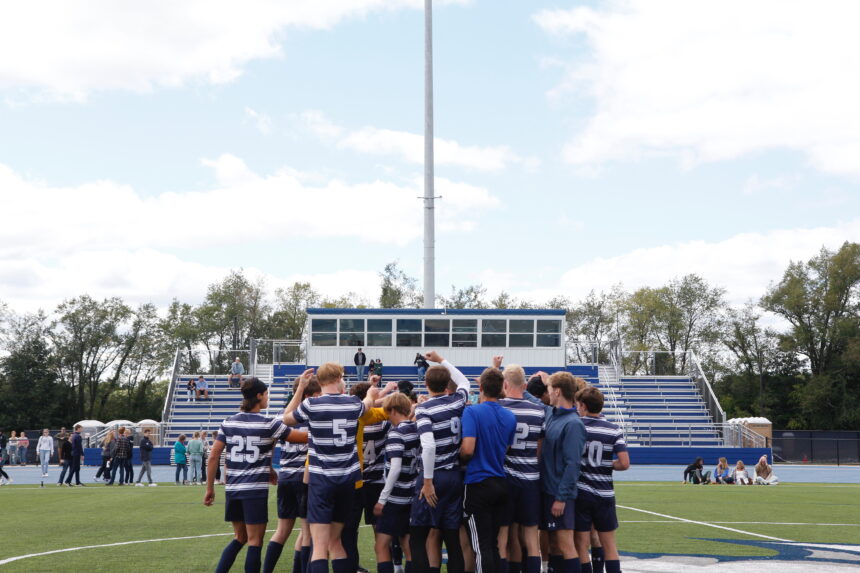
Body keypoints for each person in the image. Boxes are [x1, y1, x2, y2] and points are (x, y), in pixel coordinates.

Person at [204, 377, 308, 573]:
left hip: (233, 489)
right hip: (254, 491)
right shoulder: (269, 423)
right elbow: (300, 437)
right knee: (255, 541)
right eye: (266, 394)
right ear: (259, 396)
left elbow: (213, 457)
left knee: (240, 538)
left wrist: (210, 488)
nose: (268, 397)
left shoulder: (228, 422)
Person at [281, 363, 372, 573]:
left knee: (320, 545)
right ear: (339, 378)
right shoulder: (352, 402)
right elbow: (367, 404)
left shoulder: (312, 404)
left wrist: (301, 389)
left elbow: (286, 419)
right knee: (336, 542)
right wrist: (373, 392)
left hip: (321, 480)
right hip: (347, 480)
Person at [410, 350, 471, 573]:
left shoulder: (424, 408)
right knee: (451, 537)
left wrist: (427, 482)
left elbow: (428, 445)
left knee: (418, 535)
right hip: (453, 473)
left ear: (426, 383)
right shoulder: (457, 400)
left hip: (433, 474)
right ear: (447, 383)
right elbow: (463, 380)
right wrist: (441, 360)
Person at [527, 371, 588, 573]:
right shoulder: (552, 413)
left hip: (559, 495)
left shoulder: (573, 424)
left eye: (550, 390)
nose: (547, 393)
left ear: (558, 391)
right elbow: (530, 399)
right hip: (547, 490)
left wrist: (561, 498)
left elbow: (573, 465)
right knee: (553, 544)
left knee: (565, 544)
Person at [460, 366, 517, 573]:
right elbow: (506, 448)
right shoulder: (510, 416)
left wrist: (458, 456)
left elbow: (468, 449)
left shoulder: (472, 411)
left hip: (478, 483)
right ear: (503, 387)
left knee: (481, 547)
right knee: (492, 544)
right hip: (500, 481)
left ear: (481, 387)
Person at [263, 375, 321, 573]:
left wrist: (270, 467)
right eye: (317, 395)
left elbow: (271, 440)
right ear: (307, 395)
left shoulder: (281, 415)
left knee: (282, 531)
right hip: (304, 478)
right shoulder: (313, 415)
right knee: (306, 533)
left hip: (286, 476)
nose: (320, 398)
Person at [573, 386, 629, 573]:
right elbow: (624, 463)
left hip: (581, 492)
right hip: (605, 494)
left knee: (581, 545)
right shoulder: (614, 429)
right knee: (610, 546)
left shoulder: (577, 425)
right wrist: (607, 464)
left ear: (583, 405)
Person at [498, 363, 546, 573]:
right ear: (525, 384)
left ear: (505, 384)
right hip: (530, 478)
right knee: (530, 536)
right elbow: (539, 448)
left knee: (503, 534)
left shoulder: (499, 407)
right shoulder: (538, 410)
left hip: (505, 477)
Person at [373, 392, 419, 573]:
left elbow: (395, 468)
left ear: (392, 410)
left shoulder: (396, 433)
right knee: (407, 543)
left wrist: (382, 499)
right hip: (412, 493)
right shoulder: (416, 429)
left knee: (381, 545)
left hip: (396, 497)